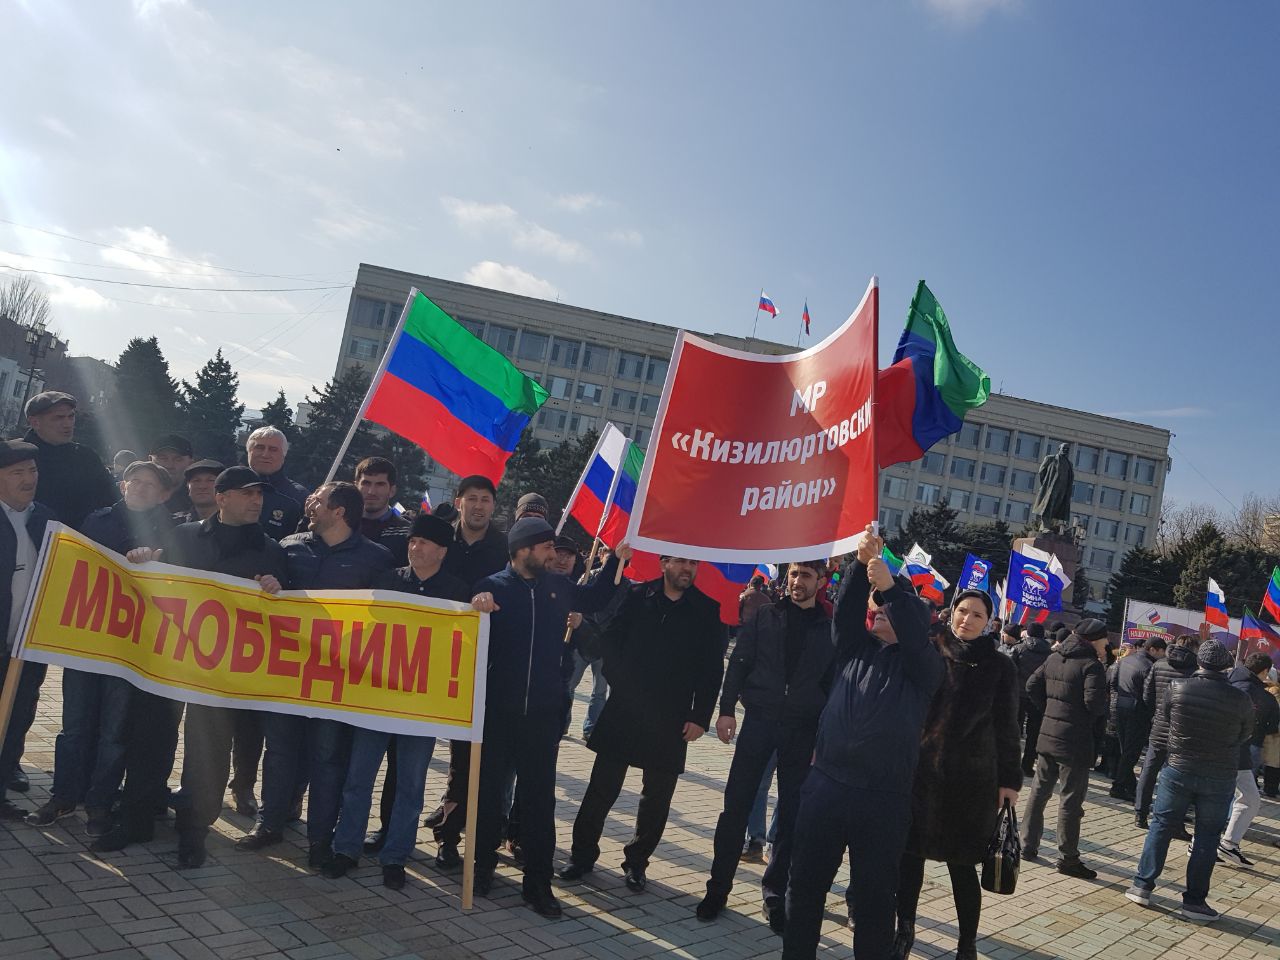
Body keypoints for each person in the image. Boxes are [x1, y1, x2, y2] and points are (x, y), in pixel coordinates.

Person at [782, 527, 943, 960]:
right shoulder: (854, 649)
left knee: (874, 902)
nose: (882, 610)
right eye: (880, 605)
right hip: (826, 786)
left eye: (892, 607)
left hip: (882, 800)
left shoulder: (924, 668)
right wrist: (859, 563)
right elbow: (847, 612)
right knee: (805, 886)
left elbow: (915, 636)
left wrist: (891, 588)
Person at [468, 518, 631, 918]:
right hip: (497, 714)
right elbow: (465, 632)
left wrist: (615, 560)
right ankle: (481, 867)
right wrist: (477, 604)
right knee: (488, 796)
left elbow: (596, 598)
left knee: (539, 802)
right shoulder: (492, 587)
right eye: (545, 548)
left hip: (543, 716)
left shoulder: (558, 587)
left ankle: (538, 885)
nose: (553, 556)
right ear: (522, 550)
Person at [239, 481, 393, 867]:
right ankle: (269, 824)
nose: (310, 504)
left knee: (326, 758)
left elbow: (386, 620)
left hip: (335, 679)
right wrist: (269, 585)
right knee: (279, 751)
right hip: (286, 672)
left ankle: (320, 839)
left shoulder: (376, 559)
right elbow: (271, 595)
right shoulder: (289, 546)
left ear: (339, 511)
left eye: (319, 501)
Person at [560, 556, 726, 895]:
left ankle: (637, 862)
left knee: (656, 799)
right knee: (601, 788)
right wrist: (621, 683)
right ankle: (582, 855)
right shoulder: (637, 596)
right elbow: (611, 643)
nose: (687, 569)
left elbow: (711, 670)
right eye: (680, 562)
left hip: (672, 717)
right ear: (664, 564)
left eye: (693, 563)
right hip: (626, 708)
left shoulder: (707, 610)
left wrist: (700, 717)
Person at [26, 460, 174, 837]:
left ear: (162, 495)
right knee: (74, 726)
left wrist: (152, 562)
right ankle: (63, 796)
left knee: (113, 731)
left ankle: (99, 803)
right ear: (123, 486)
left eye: (149, 484)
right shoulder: (96, 521)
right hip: (86, 641)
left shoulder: (170, 533)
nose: (139, 487)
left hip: (128, 648)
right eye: (134, 480)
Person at [325, 512, 469, 890]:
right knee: (358, 779)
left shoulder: (457, 593)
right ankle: (346, 848)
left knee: (411, 785)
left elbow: (465, 645)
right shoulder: (387, 582)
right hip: (378, 699)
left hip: (421, 706)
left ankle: (395, 856)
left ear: (442, 551)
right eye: (412, 541)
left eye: (424, 542)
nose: (415, 547)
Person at [697, 560, 833, 928]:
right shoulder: (764, 616)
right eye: (793, 574)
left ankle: (775, 894)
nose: (797, 581)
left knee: (791, 816)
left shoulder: (828, 628)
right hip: (758, 723)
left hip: (802, 731)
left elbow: (831, 683)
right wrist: (726, 710)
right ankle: (717, 888)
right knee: (735, 808)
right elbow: (739, 663)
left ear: (820, 581)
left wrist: (821, 734)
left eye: (806, 575)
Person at [894, 589, 1021, 960]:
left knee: (963, 867)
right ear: (951, 612)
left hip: (971, 783)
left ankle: (967, 944)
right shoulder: (930, 650)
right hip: (919, 773)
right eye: (962, 611)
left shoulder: (1000, 666)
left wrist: (1009, 781)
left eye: (977, 615)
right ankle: (904, 930)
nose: (967, 619)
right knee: (909, 858)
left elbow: (1008, 727)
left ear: (989, 622)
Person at [1124, 640, 1253, 922]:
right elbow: (1245, 735)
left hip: (1179, 767)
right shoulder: (1240, 699)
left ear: (1200, 663)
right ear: (1225, 667)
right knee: (1207, 836)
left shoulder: (1177, 688)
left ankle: (1142, 885)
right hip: (1219, 774)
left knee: (1161, 825)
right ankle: (1194, 902)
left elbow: (1166, 720)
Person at [428, 474, 509, 868]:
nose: (479, 506)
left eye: (486, 500)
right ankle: (409, 827)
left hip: (484, 665)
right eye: (472, 498)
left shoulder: (505, 548)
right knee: (420, 749)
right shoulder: (440, 541)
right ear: (458, 501)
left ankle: (455, 837)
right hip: (434, 658)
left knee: (471, 758)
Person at [1020, 619, 1109, 879]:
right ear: (1094, 639)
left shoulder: (1054, 657)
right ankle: (1068, 858)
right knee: (1070, 800)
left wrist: (1049, 711)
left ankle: (1027, 845)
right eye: (1104, 639)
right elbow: (1095, 705)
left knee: (1038, 792)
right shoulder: (1091, 665)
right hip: (1075, 742)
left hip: (1049, 735)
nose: (1107, 644)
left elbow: (1031, 686)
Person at [0, 441, 57, 820]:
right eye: (17, 472)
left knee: (17, 717)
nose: (28, 479)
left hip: (28, 647)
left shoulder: (46, 519)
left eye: (32, 471)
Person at [22, 391, 115, 530]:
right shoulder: (16, 458)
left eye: (71, 416)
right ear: (35, 422)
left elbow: (110, 500)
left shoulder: (87, 457)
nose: (67, 424)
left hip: (76, 539)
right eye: (58, 418)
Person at [1219, 652, 1279, 866]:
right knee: (1246, 799)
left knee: (1223, 797)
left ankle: (1213, 843)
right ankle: (1225, 844)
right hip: (1239, 751)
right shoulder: (1262, 696)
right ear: (1264, 671)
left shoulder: (1225, 681)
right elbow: (1270, 727)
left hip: (1220, 749)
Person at [1135, 635, 1198, 831]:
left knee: (1148, 771)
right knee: (1177, 776)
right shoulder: (1195, 670)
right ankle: (1171, 817)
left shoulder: (1159, 664)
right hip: (1183, 731)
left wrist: (1157, 713)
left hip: (1159, 726)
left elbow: (1147, 695)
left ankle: (1140, 813)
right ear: (1194, 649)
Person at [1109, 638, 1166, 801]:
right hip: (1138, 712)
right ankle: (1119, 786)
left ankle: (1128, 785)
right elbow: (1148, 695)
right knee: (1131, 752)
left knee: (1125, 749)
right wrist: (1150, 713)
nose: (1163, 656)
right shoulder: (1149, 666)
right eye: (1162, 652)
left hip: (1121, 707)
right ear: (1153, 649)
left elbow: (1113, 683)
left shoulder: (1125, 660)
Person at [244, 426, 308, 541]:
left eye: (273, 449)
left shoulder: (298, 497)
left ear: (283, 456)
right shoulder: (228, 485)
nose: (265, 454)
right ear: (248, 451)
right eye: (259, 447)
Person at [1010, 622, 1052, 777]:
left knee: (1014, 730)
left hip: (1018, 694)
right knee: (1033, 733)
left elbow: (1010, 671)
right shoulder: (1050, 653)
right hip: (1038, 696)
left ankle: (1011, 763)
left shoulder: (1018, 648)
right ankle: (1027, 765)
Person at [355, 456, 411, 565]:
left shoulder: (407, 534)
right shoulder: (340, 525)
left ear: (392, 490)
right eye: (366, 483)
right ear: (356, 486)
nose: (371, 491)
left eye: (380, 484)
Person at [150, 434, 195, 519]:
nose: (169, 465)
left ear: (190, 464)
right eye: (163, 458)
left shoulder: (200, 498)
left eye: (178, 459)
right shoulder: (134, 494)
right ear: (150, 461)